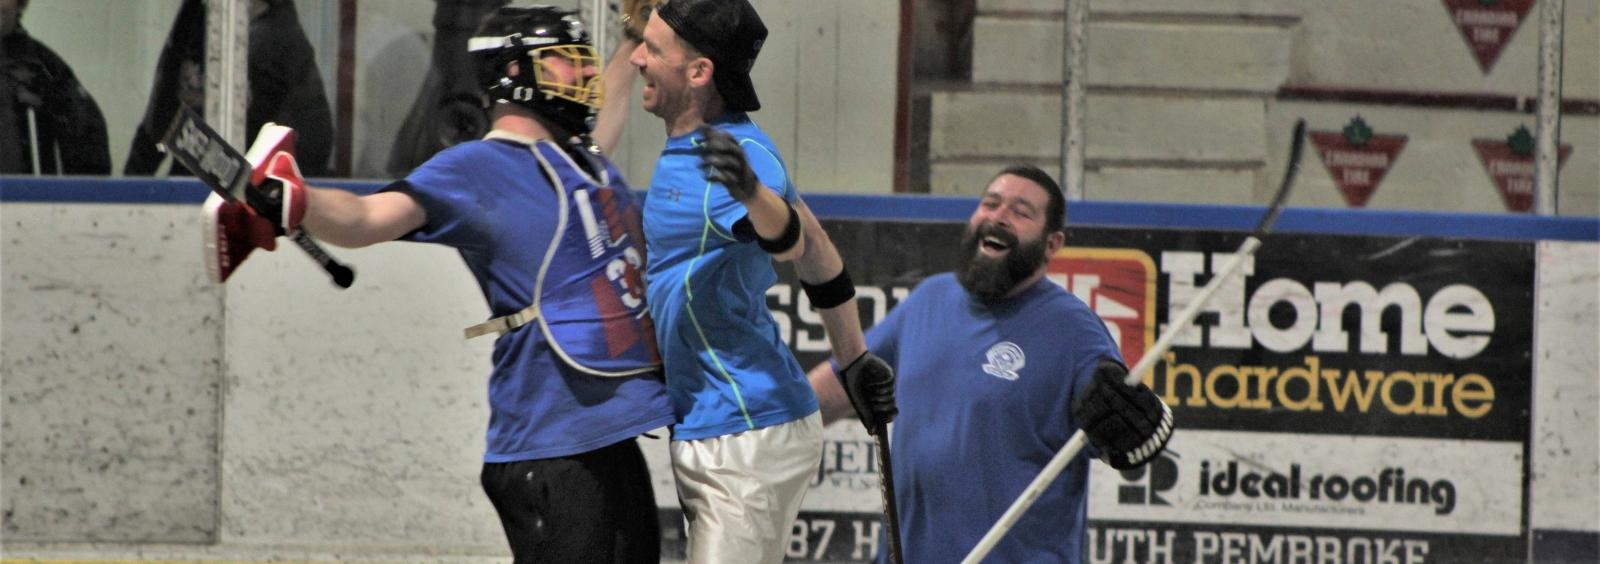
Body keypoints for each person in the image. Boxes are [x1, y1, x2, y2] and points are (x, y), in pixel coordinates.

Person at [204, 6, 672, 562]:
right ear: (515, 75)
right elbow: (366, 218)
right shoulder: (478, 166)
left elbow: (607, 115)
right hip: (552, 444)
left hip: (607, 442)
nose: (584, 76)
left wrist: (633, 39)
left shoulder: (581, 163)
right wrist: (292, 200)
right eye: (562, 64)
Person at [605, 0, 896, 561]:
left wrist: (750, 193)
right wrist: (854, 360)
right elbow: (819, 252)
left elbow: (786, 241)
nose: (639, 57)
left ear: (698, 72)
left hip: (747, 433)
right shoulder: (694, 144)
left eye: (653, 48)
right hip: (716, 425)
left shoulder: (742, 157)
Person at [809, 165, 1175, 563]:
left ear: (1052, 244)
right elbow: (829, 394)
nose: (999, 216)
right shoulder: (929, 300)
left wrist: (1142, 428)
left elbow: (1128, 430)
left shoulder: (1074, 333)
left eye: (1021, 212)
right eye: (990, 204)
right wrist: (752, 434)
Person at [126, 0, 333, 177]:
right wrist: (131, 191)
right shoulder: (199, 16)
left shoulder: (281, 38)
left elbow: (313, 142)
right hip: (195, 192)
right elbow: (160, 116)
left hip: (250, 202)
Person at [0, 0, 111, 175]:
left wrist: (71, 199)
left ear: (20, 4)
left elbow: (89, 148)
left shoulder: (45, 68)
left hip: (25, 198)